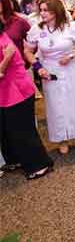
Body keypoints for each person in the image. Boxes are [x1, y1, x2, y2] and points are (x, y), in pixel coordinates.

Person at [25, 0, 75, 155]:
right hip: (50, 70)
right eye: (41, 10)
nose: (42, 13)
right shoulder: (36, 29)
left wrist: (71, 56)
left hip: (70, 67)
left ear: (55, 11)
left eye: (46, 10)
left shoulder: (71, 27)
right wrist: (38, 67)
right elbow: (28, 51)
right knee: (55, 104)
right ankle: (62, 139)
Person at [0, 22, 53, 180]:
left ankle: (40, 165)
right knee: (6, 129)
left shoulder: (3, 38)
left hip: (16, 91)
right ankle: (15, 160)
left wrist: (6, 59)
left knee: (22, 129)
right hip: (6, 92)